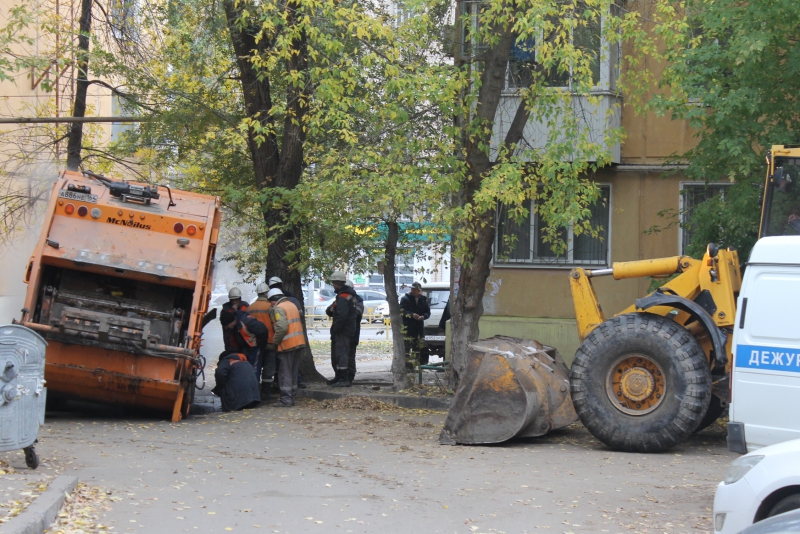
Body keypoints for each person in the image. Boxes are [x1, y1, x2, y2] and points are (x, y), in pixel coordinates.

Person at [268, 288, 307, 407]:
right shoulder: (291, 305)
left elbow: (282, 327)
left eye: (271, 302)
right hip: (298, 343)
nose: (271, 305)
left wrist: (275, 341)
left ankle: (286, 400)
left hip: (287, 345)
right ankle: (292, 396)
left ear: (274, 300)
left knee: (285, 373)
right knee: (294, 371)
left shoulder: (279, 308)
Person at [325, 271, 358, 387]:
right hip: (347, 329)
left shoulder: (343, 297)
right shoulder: (348, 295)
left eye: (333, 283)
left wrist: (336, 329)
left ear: (337, 283)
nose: (333, 285)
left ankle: (343, 378)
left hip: (343, 330)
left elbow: (342, 316)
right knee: (341, 353)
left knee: (342, 354)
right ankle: (339, 377)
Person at [219, 308, 269, 382]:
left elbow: (263, 331)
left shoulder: (247, 322)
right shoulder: (238, 324)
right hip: (249, 348)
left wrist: (260, 345)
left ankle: (253, 387)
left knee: (253, 369)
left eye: (227, 325)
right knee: (250, 369)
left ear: (231, 322)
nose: (226, 328)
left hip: (254, 348)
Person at [247, 282, 277, 398]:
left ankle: (254, 392)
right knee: (269, 367)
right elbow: (275, 324)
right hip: (270, 341)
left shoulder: (251, 307)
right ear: (266, 293)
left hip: (255, 342)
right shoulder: (270, 306)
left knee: (255, 367)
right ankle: (266, 392)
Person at [400, 281, 431, 368]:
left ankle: (415, 365)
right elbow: (401, 311)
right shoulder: (405, 299)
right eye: (412, 289)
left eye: (415, 290)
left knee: (416, 348)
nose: (413, 291)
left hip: (419, 328)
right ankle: (407, 366)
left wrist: (423, 317)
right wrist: (411, 315)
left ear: (419, 291)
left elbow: (428, 312)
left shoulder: (423, 299)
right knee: (407, 348)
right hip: (408, 327)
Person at [344, 279, 363, 384]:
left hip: (353, 332)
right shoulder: (341, 298)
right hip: (343, 332)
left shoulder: (358, 300)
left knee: (350, 355)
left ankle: (350, 376)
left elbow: (358, 312)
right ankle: (341, 376)